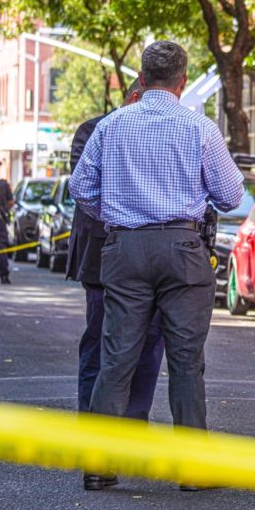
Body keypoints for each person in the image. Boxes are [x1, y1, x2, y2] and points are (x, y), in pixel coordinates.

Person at [69, 40, 244, 492]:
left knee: (116, 357)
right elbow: (229, 195)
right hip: (183, 250)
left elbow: (81, 188)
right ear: (183, 82)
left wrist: (115, 213)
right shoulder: (198, 127)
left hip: (124, 249)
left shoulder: (112, 125)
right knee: (186, 361)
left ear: (142, 79)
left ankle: (100, 464)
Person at [67, 83, 166, 436]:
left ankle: (133, 426)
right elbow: (84, 189)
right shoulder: (94, 130)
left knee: (150, 341)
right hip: (101, 255)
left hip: (148, 253)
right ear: (136, 98)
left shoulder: (160, 132)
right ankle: (92, 424)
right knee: (99, 338)